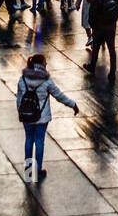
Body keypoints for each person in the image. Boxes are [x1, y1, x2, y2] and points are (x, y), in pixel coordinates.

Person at [15, 53, 79, 182]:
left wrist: (21, 112)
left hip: (26, 116)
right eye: (45, 62)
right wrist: (73, 105)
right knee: (39, 142)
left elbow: (19, 98)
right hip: (41, 117)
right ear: (41, 64)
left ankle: (28, 171)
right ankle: (38, 171)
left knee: (28, 140)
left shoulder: (23, 79)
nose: (47, 64)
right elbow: (59, 96)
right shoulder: (46, 81)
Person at [84, 0, 118, 83]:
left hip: (99, 28)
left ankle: (92, 66)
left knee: (95, 49)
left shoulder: (96, 0)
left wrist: (95, 26)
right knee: (112, 50)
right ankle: (112, 72)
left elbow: (91, 17)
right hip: (110, 28)